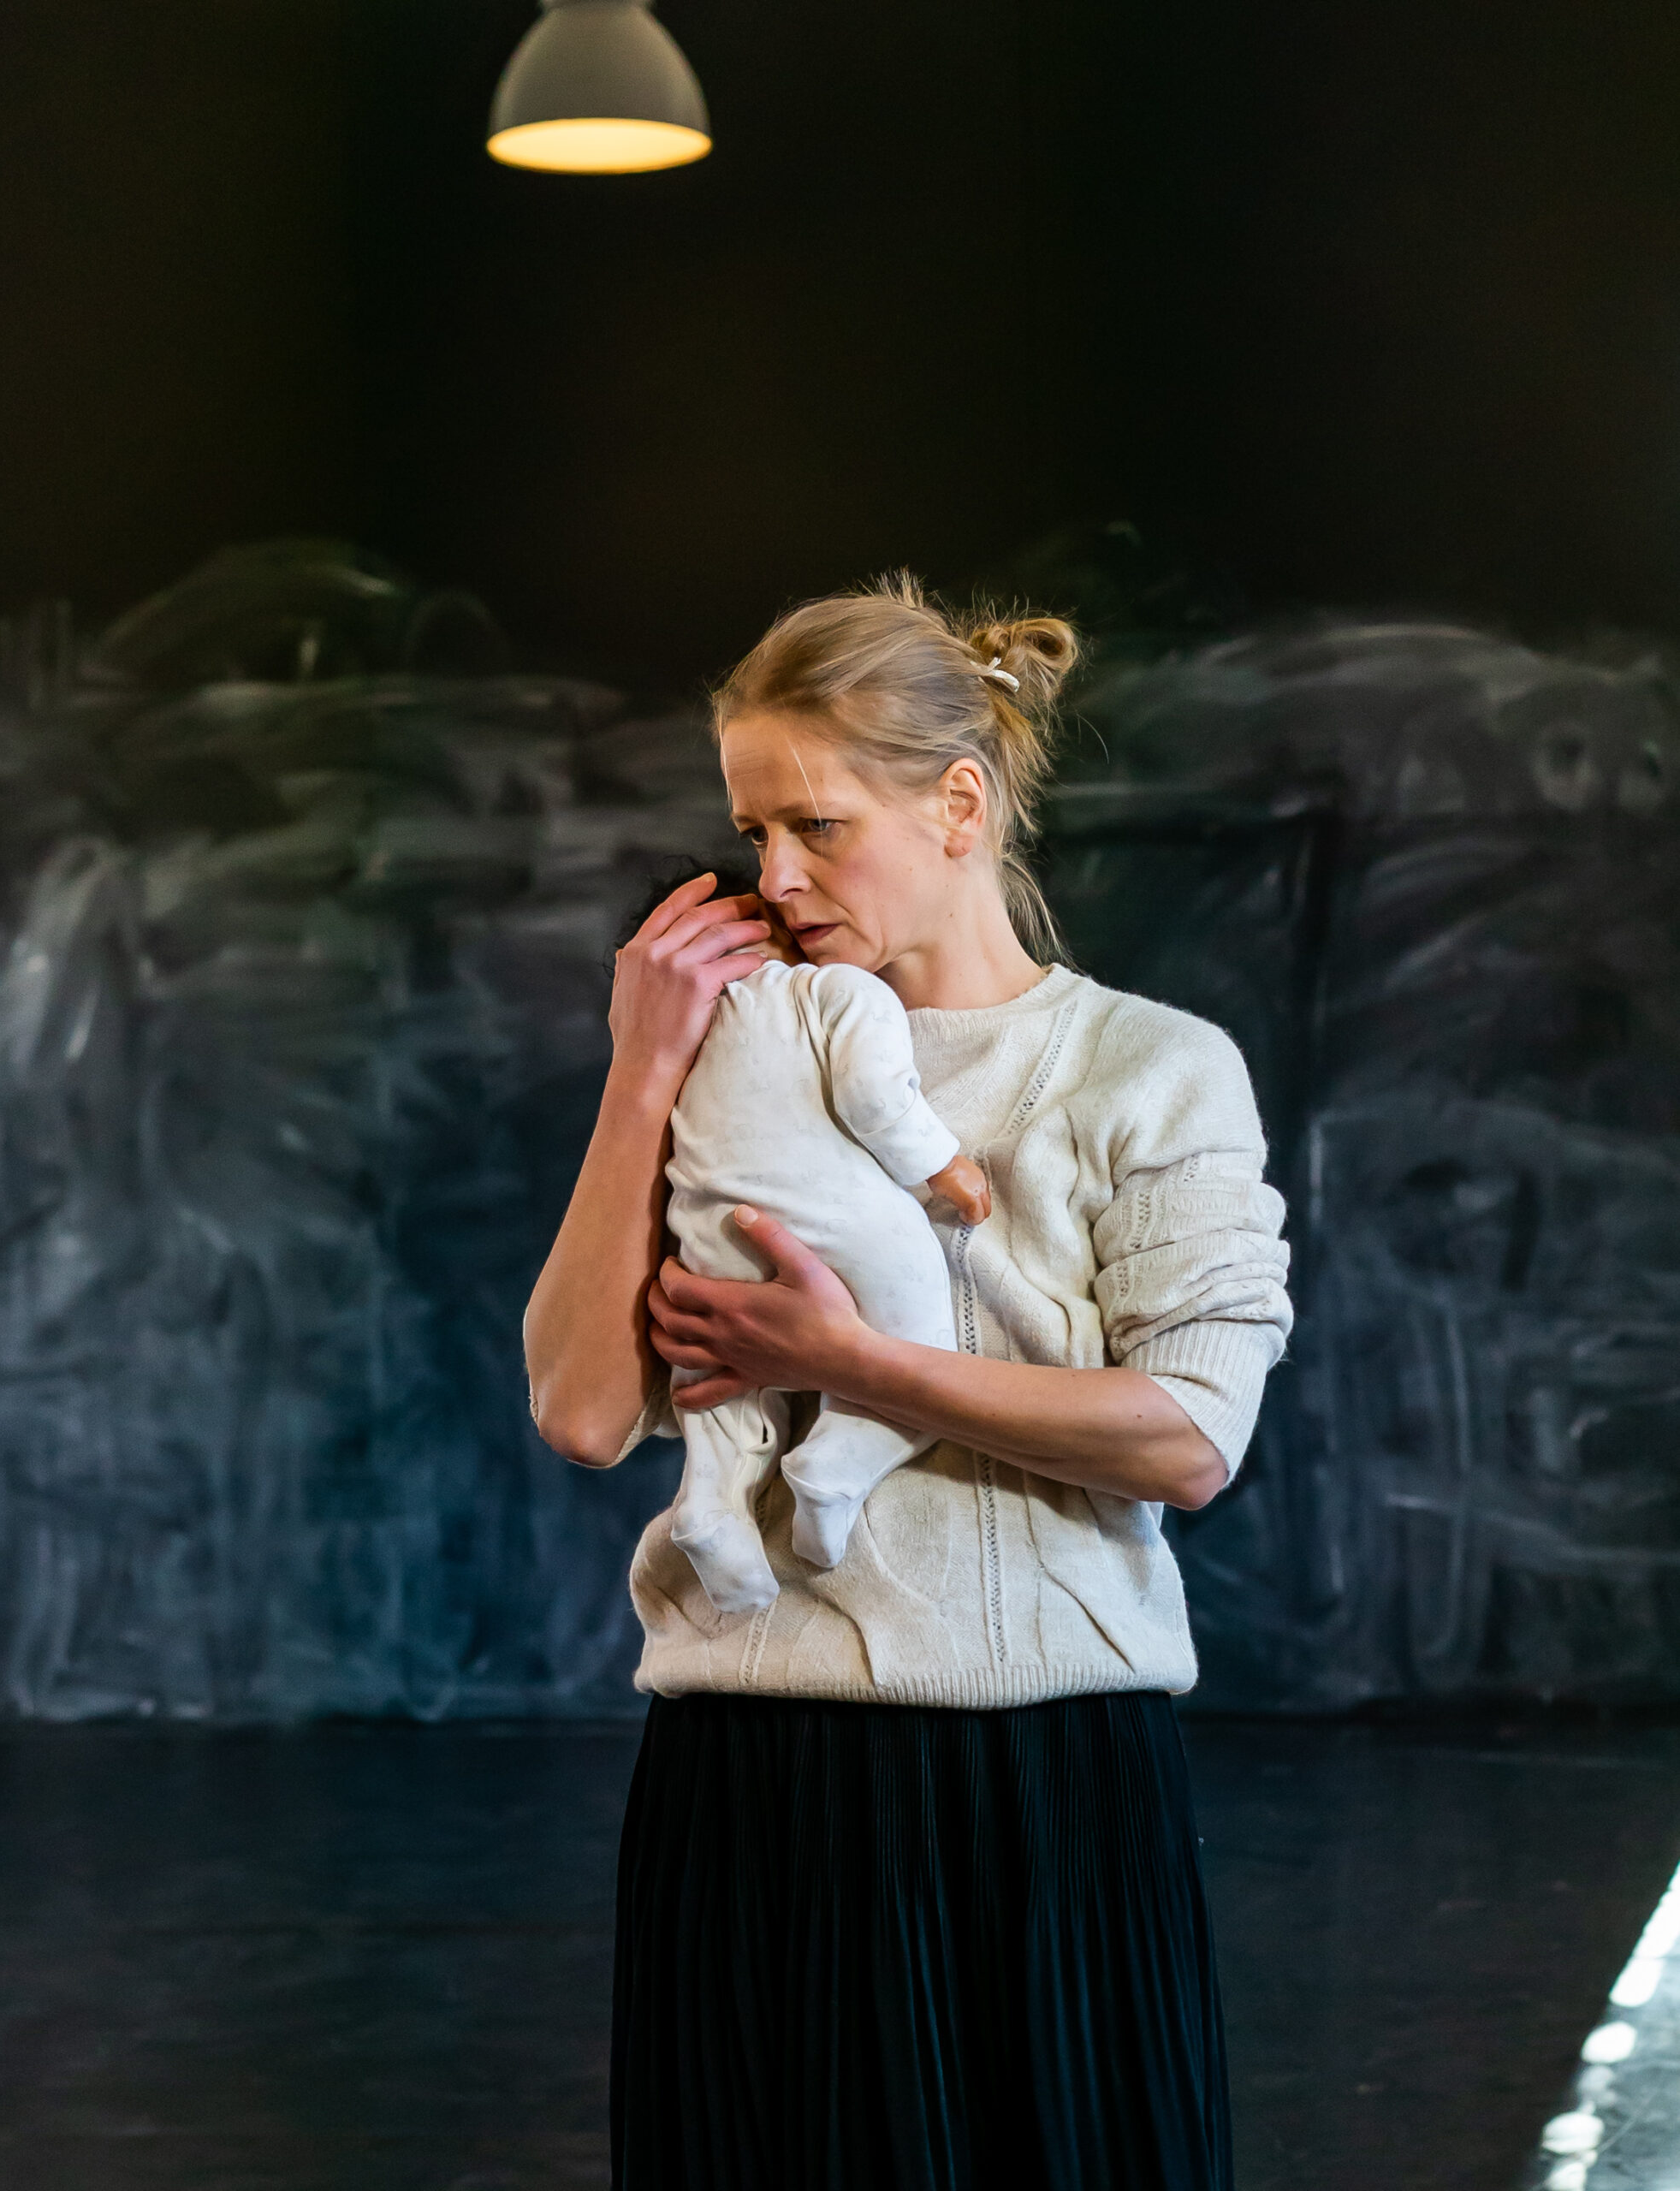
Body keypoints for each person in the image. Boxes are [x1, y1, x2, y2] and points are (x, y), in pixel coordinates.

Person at [525, 575, 1293, 2191]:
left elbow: (1185, 1442)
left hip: (1044, 1795)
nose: (773, 878)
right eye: (750, 836)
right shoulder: (730, 1046)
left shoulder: (1144, 1068)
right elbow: (584, 1414)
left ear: (955, 804)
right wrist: (642, 1066)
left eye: (814, 826)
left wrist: (851, 1364)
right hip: (754, 1786)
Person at [608, 864, 988, 1614]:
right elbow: (876, 1097)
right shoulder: (835, 990)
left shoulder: (681, 1048)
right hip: (840, 1225)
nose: (783, 881)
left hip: (707, 1236)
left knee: (718, 1387)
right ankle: (838, 1464)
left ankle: (713, 1502)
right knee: (921, 1345)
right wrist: (945, 1166)